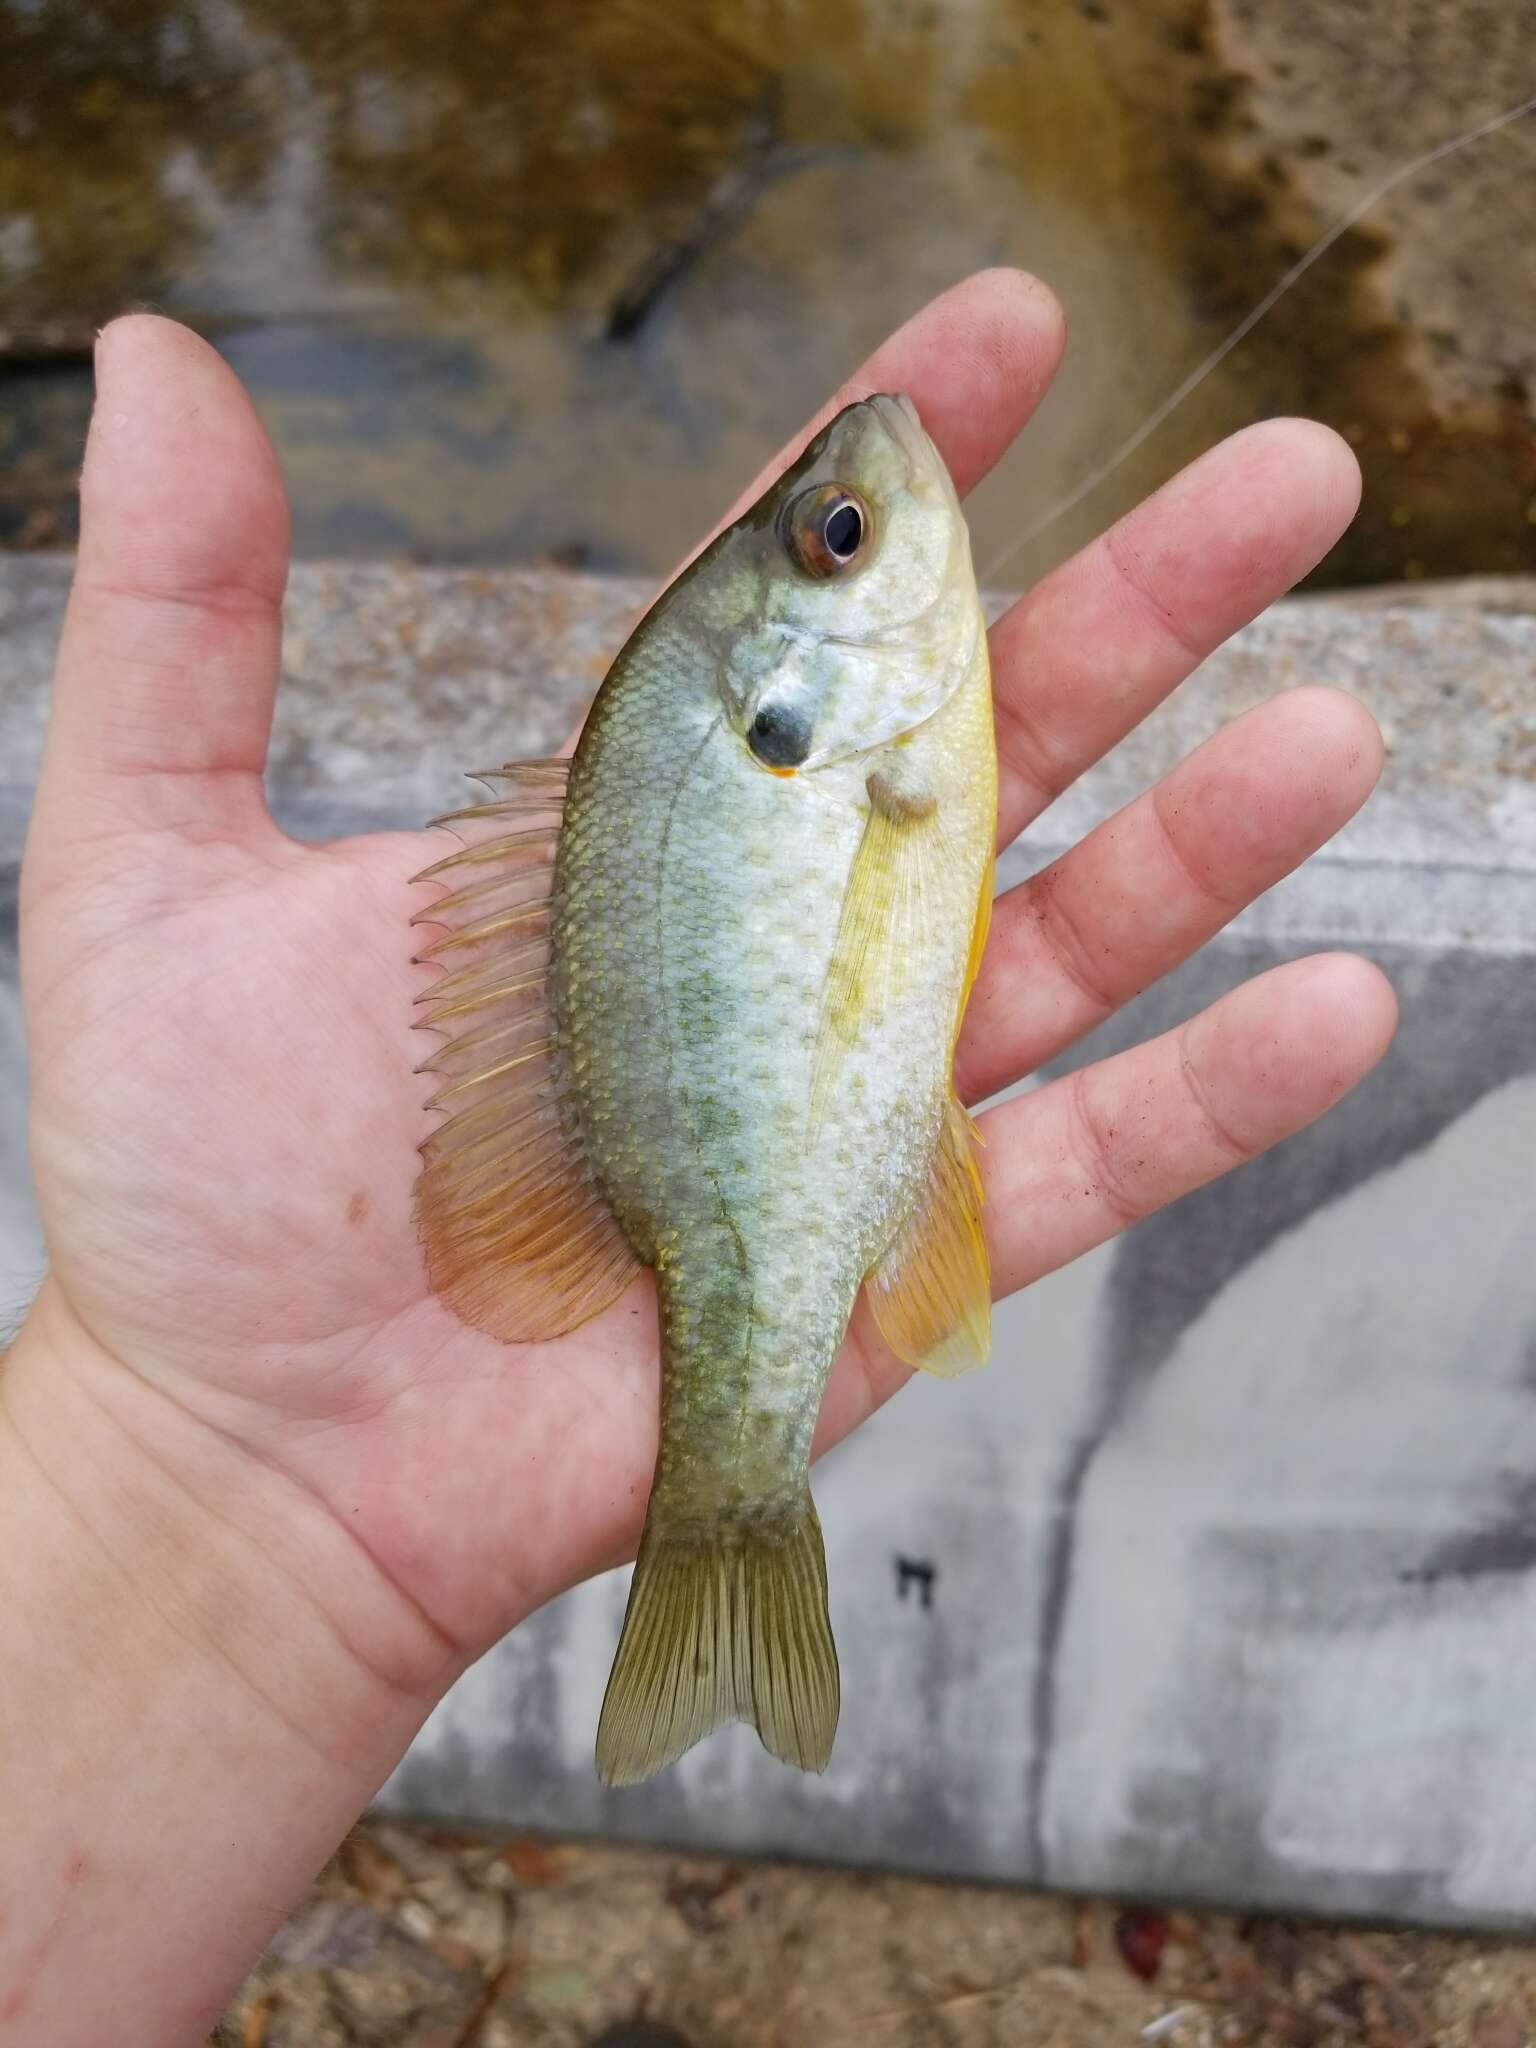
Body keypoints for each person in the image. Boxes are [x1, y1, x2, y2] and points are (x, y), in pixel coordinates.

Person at [0, 271, 1395, 2045]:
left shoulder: (852, 738)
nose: (878, 518)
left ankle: (726, 1544)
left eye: (831, 533)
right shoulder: (849, 748)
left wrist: (178, 1479)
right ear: (786, 671)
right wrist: (188, 1457)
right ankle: (727, 1521)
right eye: (840, 539)